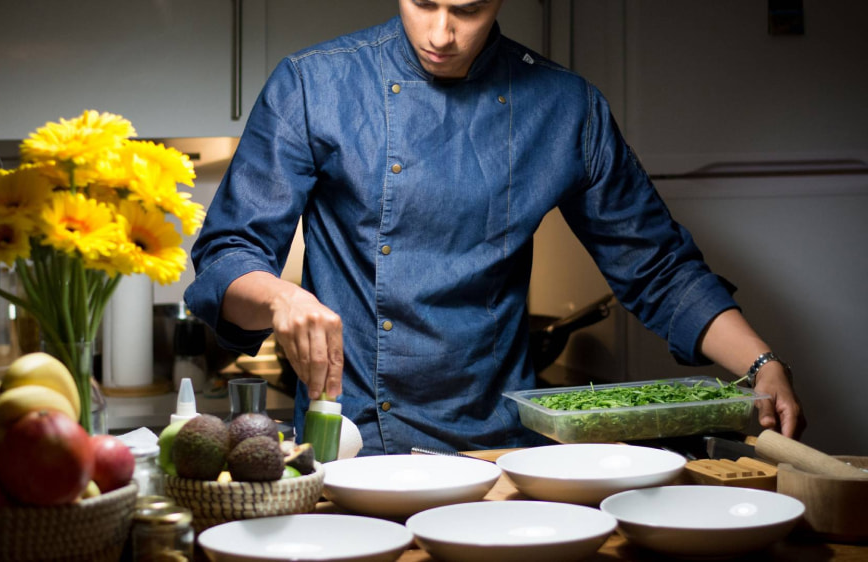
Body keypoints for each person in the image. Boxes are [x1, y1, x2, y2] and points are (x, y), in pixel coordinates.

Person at [185, 0, 803, 455]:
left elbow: (658, 268)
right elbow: (226, 256)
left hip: (502, 448)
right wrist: (280, 296)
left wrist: (761, 363)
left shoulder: (565, 107)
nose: (441, 34)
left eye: (468, 10)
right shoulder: (314, 85)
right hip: (352, 443)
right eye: (422, 3)